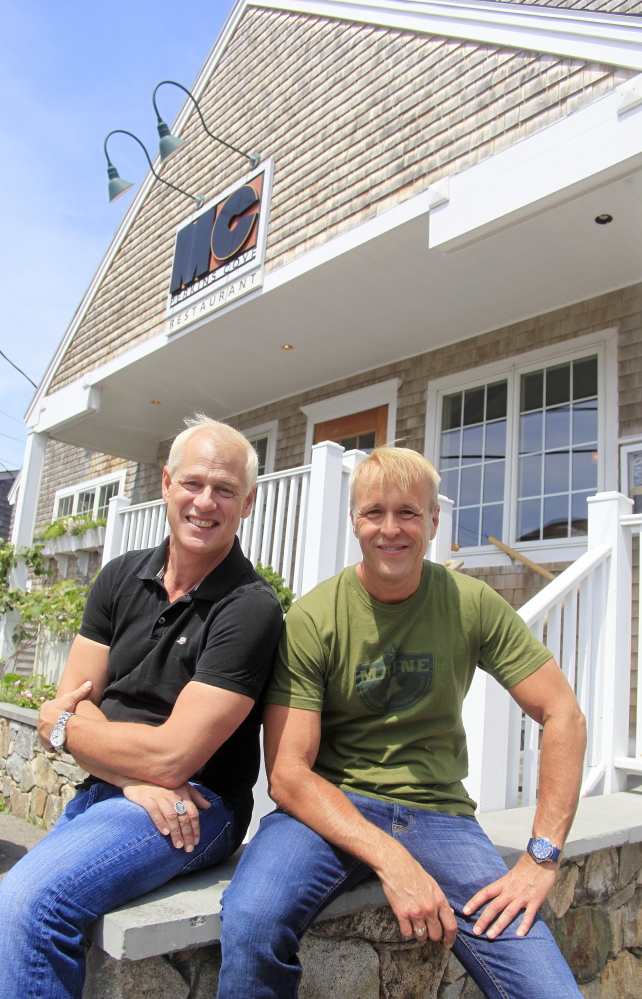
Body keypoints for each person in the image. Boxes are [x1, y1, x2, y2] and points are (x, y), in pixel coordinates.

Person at [217, 446, 586, 999]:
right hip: (330, 812)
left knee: (549, 989)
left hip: (441, 816)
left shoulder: (471, 603)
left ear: (434, 521)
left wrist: (541, 857)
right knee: (250, 923)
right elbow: (289, 776)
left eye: (408, 512)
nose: (391, 529)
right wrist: (394, 860)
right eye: (374, 513)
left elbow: (563, 714)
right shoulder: (314, 617)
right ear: (354, 522)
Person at [0, 416, 283, 999]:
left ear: (248, 502)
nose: (206, 502)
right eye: (193, 483)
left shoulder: (249, 608)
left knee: (28, 905)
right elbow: (63, 704)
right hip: (130, 795)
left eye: (225, 490)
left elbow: (174, 754)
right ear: (166, 483)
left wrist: (72, 731)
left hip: (196, 809)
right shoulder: (119, 576)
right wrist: (134, 778)